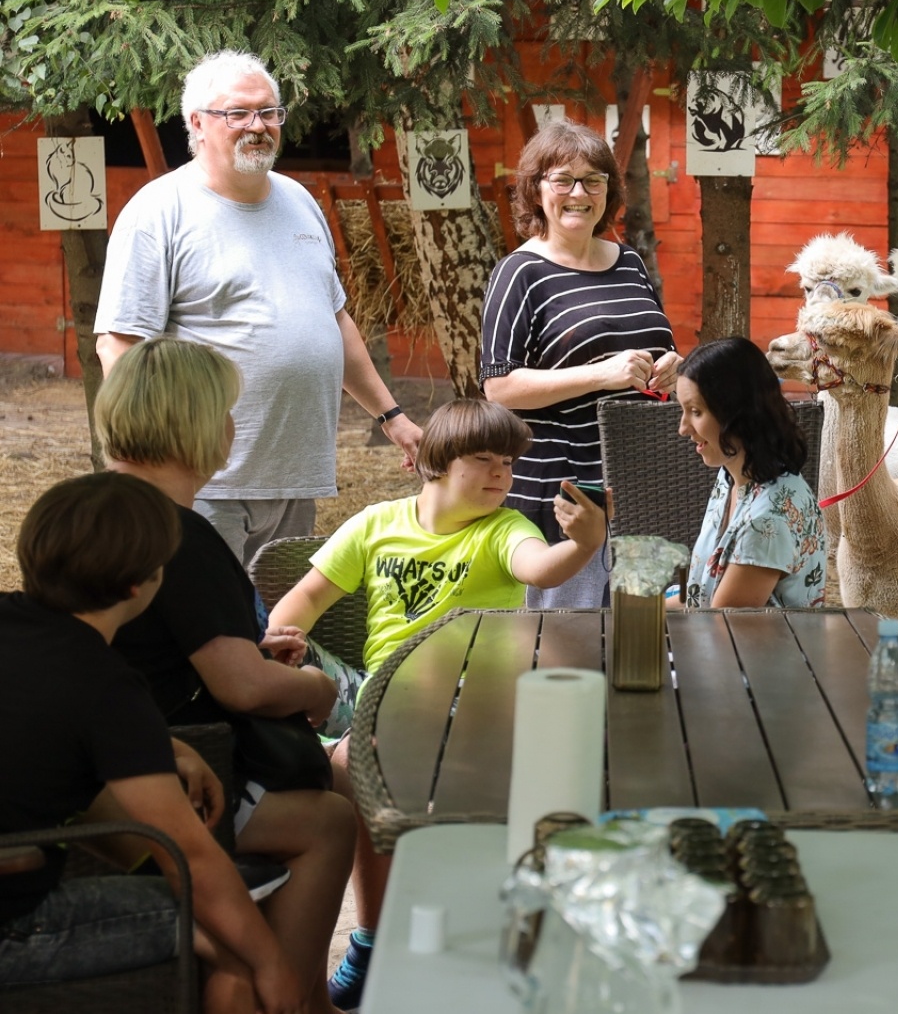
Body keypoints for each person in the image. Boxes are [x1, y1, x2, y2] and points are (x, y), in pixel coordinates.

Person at [267, 397, 608, 1009]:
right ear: (439, 461)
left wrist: (583, 545)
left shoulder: (504, 529)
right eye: (485, 459)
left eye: (508, 462)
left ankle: (374, 939)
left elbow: (541, 569)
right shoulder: (377, 523)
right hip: (373, 688)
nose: (501, 473)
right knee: (295, 681)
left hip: (468, 698)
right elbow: (306, 599)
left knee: (359, 765)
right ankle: (369, 937)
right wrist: (280, 641)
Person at [94, 337, 356, 1013]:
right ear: (198, 424)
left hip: (96, 763)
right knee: (329, 820)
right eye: (227, 412)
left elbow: (145, 640)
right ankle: (292, 1001)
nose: (234, 427)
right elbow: (245, 688)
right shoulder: (181, 536)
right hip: (170, 775)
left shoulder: (83, 514)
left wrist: (245, 644)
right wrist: (319, 688)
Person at [94, 48, 423, 567]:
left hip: (295, 476)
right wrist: (156, 460)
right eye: (238, 113)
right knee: (206, 611)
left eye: (269, 112)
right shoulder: (158, 211)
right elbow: (120, 344)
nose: (258, 126)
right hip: (204, 481)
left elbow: (332, 320)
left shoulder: (299, 201)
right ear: (197, 123)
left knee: (277, 615)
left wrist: (392, 417)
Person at [0, 473, 311, 1014]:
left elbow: (35, 725)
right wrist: (274, 965)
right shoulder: (104, 684)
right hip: (16, 926)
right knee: (232, 948)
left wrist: (164, 746)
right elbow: (187, 853)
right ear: (139, 586)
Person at [480, 119, 680, 608]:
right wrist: (601, 375)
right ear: (536, 190)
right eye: (563, 180)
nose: (579, 193)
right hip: (565, 486)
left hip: (644, 477)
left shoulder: (629, 262)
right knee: (570, 630)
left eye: (593, 180)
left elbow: (657, 345)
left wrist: (673, 368)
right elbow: (498, 386)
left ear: (608, 192)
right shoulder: (520, 272)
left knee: (643, 626)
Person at [671, 337, 825, 609]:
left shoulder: (767, 521)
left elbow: (721, 627)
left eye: (695, 411)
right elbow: (698, 594)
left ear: (737, 413)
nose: (683, 428)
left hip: (729, 637)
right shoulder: (733, 477)